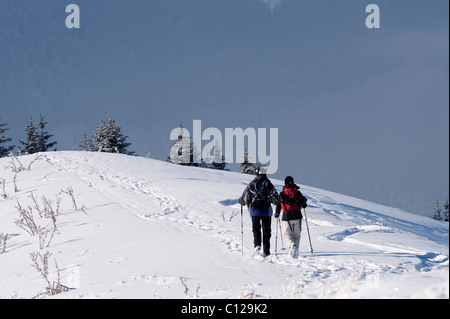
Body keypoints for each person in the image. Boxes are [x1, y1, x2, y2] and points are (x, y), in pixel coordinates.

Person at [239, 167, 279, 256]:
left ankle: (257, 246)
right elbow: (276, 200)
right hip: (266, 211)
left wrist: (243, 202)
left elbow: (243, 199)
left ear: (257, 173)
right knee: (266, 230)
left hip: (254, 211)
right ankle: (266, 250)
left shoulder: (252, 184)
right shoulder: (269, 184)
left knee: (256, 229)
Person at [275, 176, 308, 258]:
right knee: (297, 235)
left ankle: (292, 246)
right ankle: (296, 251)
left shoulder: (282, 193)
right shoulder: (297, 192)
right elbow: (304, 204)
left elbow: (279, 204)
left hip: (287, 217)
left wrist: (277, 213)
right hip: (297, 216)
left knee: (287, 234)